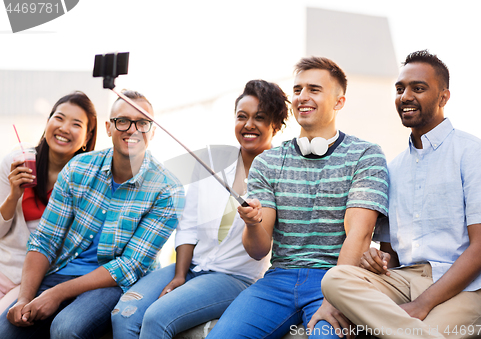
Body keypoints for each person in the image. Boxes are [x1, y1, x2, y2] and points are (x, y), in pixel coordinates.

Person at [207, 56, 389, 339]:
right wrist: (253, 223)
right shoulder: (268, 162)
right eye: (297, 90)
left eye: (314, 90)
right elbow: (258, 250)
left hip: (336, 278)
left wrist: (335, 298)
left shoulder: (366, 155)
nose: (302, 97)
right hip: (278, 280)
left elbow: (360, 234)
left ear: (339, 102)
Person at [322, 50, 481, 338]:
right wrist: (375, 262)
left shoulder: (474, 153)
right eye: (400, 88)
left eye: (418, 88)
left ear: (444, 97)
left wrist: (421, 304)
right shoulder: (392, 168)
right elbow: (390, 255)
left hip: (468, 287)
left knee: (414, 330)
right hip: (403, 279)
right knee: (336, 278)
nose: (405, 96)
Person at [111, 79, 290, 339]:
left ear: (275, 125)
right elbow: (188, 225)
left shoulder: (282, 175)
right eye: (242, 116)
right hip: (192, 267)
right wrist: (180, 274)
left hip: (234, 278)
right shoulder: (211, 162)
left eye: (260, 118)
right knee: (124, 313)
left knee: (156, 317)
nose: (249, 124)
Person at [0, 90, 185, 339]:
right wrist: (24, 298)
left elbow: (128, 266)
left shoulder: (168, 189)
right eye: (123, 121)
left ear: (153, 131)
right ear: (109, 128)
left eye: (142, 123)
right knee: (7, 329)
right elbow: (45, 239)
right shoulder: (78, 168)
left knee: (67, 328)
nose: (132, 129)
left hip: (113, 283)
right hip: (62, 270)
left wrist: (57, 293)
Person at [0, 91, 98, 313]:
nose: (64, 128)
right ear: (47, 123)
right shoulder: (17, 162)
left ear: (87, 136)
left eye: (76, 124)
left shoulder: (87, 182)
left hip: (32, 281)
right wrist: (13, 195)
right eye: (59, 118)